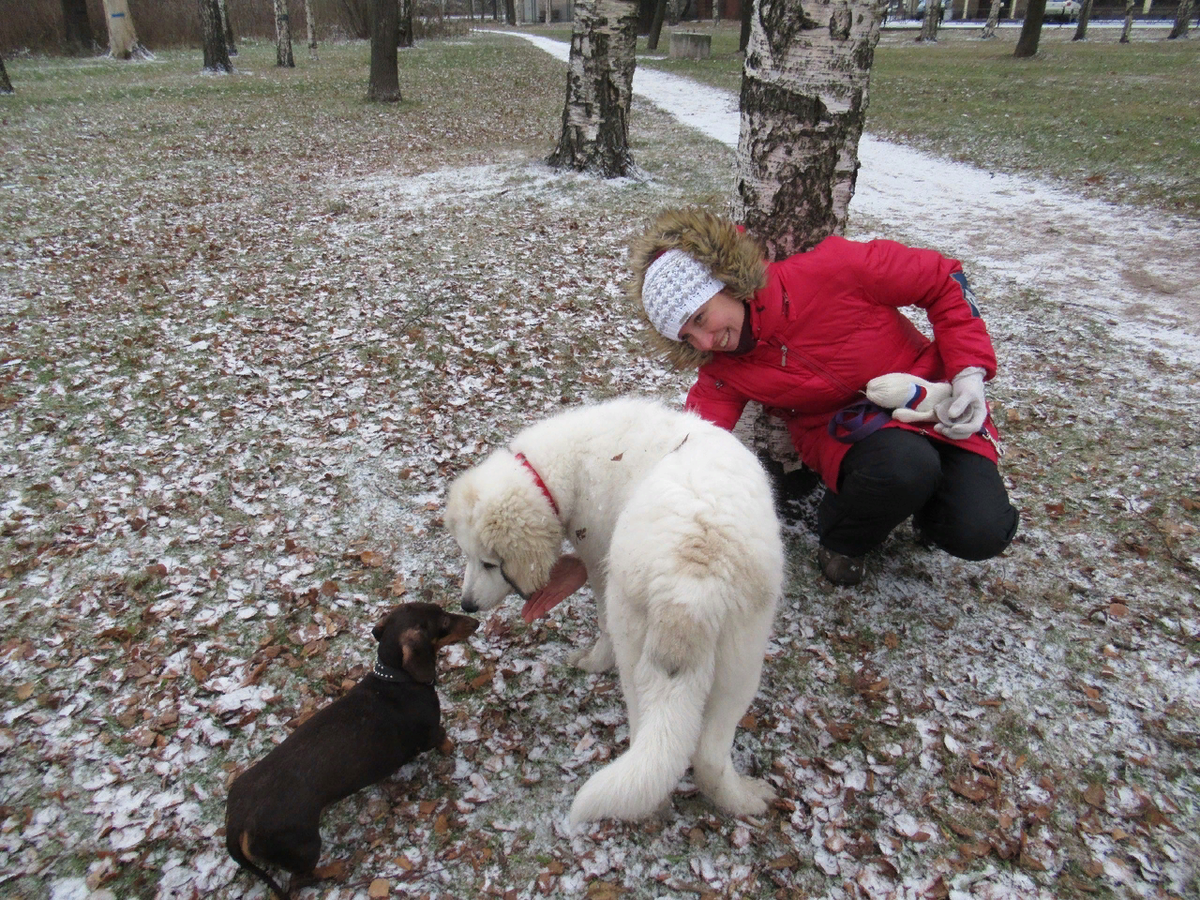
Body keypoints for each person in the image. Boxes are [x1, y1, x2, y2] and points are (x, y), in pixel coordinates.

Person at [628, 207, 1019, 586]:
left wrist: (968, 372)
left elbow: (941, 277)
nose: (706, 342)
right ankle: (843, 539)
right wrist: (649, 506)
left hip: (933, 397)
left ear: (725, 281)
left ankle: (923, 508)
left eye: (699, 319)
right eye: (687, 338)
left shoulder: (834, 268)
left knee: (984, 531)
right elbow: (696, 438)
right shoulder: (723, 369)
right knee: (907, 466)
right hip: (847, 435)